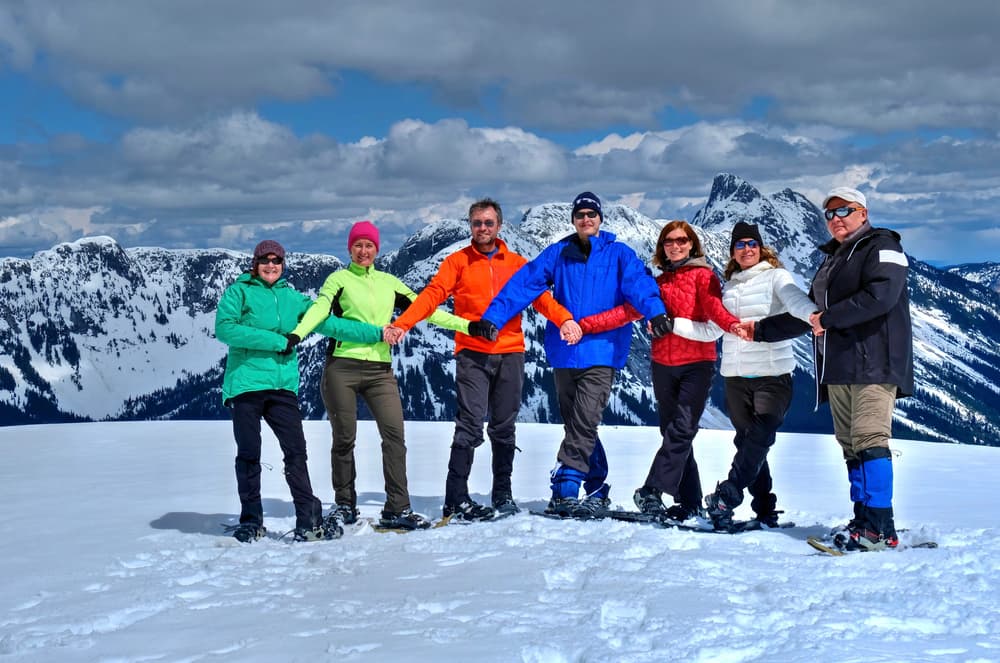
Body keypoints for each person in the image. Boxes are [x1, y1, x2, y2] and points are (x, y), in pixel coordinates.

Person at [479, 192, 670, 518]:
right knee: (578, 425)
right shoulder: (558, 254)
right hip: (565, 353)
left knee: (582, 423)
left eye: (591, 214)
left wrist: (656, 312)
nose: (586, 219)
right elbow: (523, 284)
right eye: (580, 215)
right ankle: (597, 487)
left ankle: (564, 488)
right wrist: (493, 318)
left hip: (602, 352)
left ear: (600, 218)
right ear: (573, 220)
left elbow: (640, 285)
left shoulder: (619, 254)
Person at [289, 221, 488, 531]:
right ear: (349, 248)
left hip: (380, 371)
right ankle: (344, 505)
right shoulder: (338, 279)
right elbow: (319, 311)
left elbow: (425, 309)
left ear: (377, 250)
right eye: (358, 245)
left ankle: (397, 507)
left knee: (394, 437)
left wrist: (468, 326)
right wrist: (298, 334)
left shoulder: (389, 283)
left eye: (369, 245)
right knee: (344, 439)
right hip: (342, 366)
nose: (363, 251)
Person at [384, 199, 574, 521]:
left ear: (499, 226)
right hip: (472, 353)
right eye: (476, 223)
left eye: (488, 222)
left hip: (511, 352)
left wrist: (564, 319)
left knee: (504, 426)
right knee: (470, 424)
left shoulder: (515, 263)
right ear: (470, 226)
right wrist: (403, 323)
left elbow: (540, 298)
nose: (482, 228)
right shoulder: (457, 262)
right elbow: (432, 295)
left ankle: (502, 494)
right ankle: (455, 498)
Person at [752, 187, 913, 550]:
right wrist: (761, 331)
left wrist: (830, 317)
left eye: (845, 211)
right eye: (829, 214)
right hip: (839, 365)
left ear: (863, 212)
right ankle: (863, 518)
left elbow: (881, 296)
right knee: (851, 445)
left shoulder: (883, 246)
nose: (836, 218)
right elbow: (812, 314)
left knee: (871, 441)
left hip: (875, 361)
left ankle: (878, 527)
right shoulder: (834, 258)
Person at [214, 240, 383, 543]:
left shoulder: (293, 299)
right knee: (249, 454)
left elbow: (331, 324)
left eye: (276, 261)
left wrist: (378, 333)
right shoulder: (238, 292)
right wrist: (279, 341)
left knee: (296, 453)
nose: (271, 265)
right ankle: (251, 521)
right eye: (265, 260)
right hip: (246, 385)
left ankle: (308, 519)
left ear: (282, 264)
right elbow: (225, 329)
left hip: (282, 387)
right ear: (255, 263)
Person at [578, 221, 741, 524]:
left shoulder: (703, 277)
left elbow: (715, 312)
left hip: (697, 366)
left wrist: (732, 325)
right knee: (673, 434)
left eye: (681, 240)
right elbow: (627, 312)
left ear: (692, 244)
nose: (675, 246)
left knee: (681, 429)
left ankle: (652, 489)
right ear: (662, 246)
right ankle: (690, 501)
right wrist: (586, 325)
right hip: (663, 367)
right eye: (669, 241)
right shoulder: (659, 282)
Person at [671, 222, 817, 531]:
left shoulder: (777, 277)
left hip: (772, 374)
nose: (747, 249)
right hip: (735, 379)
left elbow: (795, 301)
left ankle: (728, 495)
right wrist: (674, 324)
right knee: (749, 442)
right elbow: (712, 328)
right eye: (740, 245)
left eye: (752, 244)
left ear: (761, 248)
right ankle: (764, 509)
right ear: (733, 252)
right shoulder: (729, 287)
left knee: (761, 435)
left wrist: (813, 315)